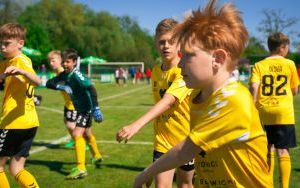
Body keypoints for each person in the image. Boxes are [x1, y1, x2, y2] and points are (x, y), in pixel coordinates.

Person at [132, 1, 273, 187]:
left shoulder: (233, 99)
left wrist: (147, 172)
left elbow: (185, 150)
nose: (180, 64)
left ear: (218, 58)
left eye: (188, 55)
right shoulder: (197, 96)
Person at [116, 18, 194, 188]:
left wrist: (136, 125)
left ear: (179, 43)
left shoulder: (184, 70)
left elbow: (167, 101)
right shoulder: (156, 72)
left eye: (171, 42)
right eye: (161, 42)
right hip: (163, 140)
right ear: (156, 44)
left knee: (185, 184)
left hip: (186, 140)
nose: (166, 45)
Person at [250, 32, 299, 188]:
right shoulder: (290, 64)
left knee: (268, 148)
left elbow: (253, 88)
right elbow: (295, 91)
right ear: (282, 47)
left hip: (264, 112)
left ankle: (268, 184)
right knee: (283, 150)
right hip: (283, 112)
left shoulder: (259, 65)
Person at [46, 49, 103, 180]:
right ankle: (96, 155)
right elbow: (49, 83)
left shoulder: (77, 75)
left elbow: (91, 88)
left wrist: (96, 108)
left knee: (77, 134)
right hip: (80, 108)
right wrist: (61, 87)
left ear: (74, 62)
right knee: (86, 134)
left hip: (84, 109)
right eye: (64, 61)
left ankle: (81, 168)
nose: (65, 64)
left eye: (68, 62)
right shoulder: (65, 74)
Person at [0, 23, 41, 188]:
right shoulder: (9, 61)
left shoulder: (20, 61)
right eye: (0, 43)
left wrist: (22, 72)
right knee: (17, 169)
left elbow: (37, 81)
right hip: (30, 122)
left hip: (13, 122)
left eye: (6, 44)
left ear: (20, 43)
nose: (2, 47)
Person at [47, 50, 89, 149]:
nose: (50, 63)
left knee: (71, 125)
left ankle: (82, 143)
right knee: (67, 122)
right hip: (67, 103)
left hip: (73, 104)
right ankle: (75, 140)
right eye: (49, 61)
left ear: (61, 60)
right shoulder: (58, 72)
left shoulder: (64, 72)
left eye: (53, 60)